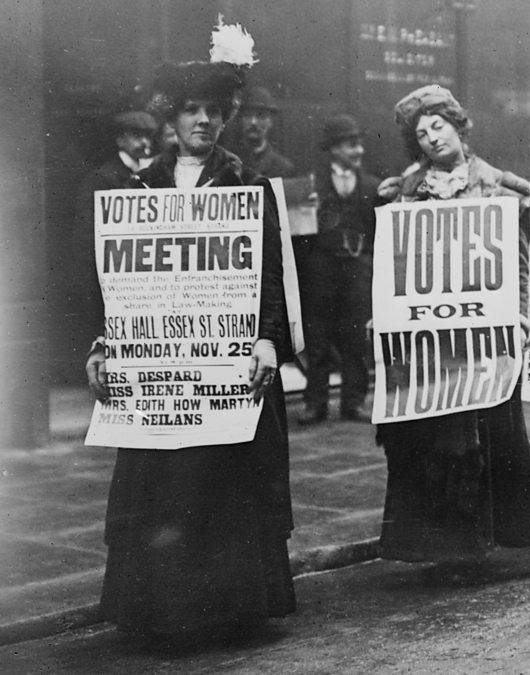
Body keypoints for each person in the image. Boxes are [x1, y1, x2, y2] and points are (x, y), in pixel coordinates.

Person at [83, 22, 295, 638]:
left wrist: (266, 340)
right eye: (189, 110)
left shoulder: (248, 187)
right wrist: (102, 343)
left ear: (227, 116)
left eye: (213, 110)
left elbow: (274, 280)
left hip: (226, 365)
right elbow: (113, 283)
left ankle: (226, 612)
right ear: (170, 119)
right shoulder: (135, 189)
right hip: (160, 370)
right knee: (163, 484)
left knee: (221, 484)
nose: (202, 121)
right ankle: (160, 611)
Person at [374, 84, 530, 568]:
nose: (432, 138)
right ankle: (445, 544)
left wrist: (522, 315)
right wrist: (385, 310)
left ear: (459, 127)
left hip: (487, 336)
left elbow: (519, 263)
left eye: (439, 126)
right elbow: (395, 264)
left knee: (490, 433)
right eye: (421, 133)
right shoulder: (406, 193)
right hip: (431, 340)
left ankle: (490, 539)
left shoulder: (501, 189)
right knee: (434, 436)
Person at [296, 114, 379, 424]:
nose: (358, 151)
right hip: (322, 270)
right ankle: (315, 403)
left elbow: (377, 231)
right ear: (332, 149)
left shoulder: (371, 185)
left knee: (356, 338)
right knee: (317, 339)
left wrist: (367, 262)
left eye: (359, 144)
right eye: (349, 145)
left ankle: (353, 403)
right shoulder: (312, 185)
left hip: (358, 270)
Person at [73, 110, 159, 362]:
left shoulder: (154, 176)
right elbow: (85, 241)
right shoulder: (101, 179)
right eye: (136, 136)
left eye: (148, 136)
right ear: (120, 140)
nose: (144, 143)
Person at [232, 85, 297, 179]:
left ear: (270, 121)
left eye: (260, 116)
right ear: (240, 120)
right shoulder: (227, 164)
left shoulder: (283, 168)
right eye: (247, 116)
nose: (253, 122)